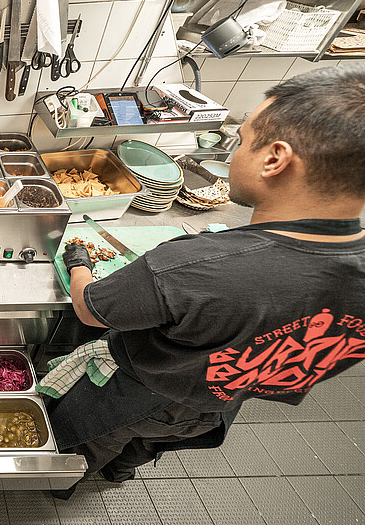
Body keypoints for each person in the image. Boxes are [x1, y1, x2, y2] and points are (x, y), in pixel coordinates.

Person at [49, 64, 365, 498]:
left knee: (90, 440)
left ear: (274, 159)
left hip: (138, 389)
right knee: (154, 440)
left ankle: (64, 487)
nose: (234, 154)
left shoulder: (195, 267)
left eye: (242, 141)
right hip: (222, 401)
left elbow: (90, 308)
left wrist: (78, 260)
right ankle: (120, 473)